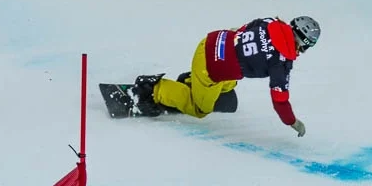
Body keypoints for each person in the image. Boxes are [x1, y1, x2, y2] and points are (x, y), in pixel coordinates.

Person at [128, 15, 320, 136]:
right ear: (303, 42)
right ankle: (152, 91)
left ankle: (192, 82)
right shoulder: (281, 62)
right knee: (199, 109)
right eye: (307, 46)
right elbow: (280, 101)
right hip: (209, 69)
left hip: (210, 42)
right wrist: (293, 122)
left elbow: (245, 27)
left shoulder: (272, 23)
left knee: (230, 81)